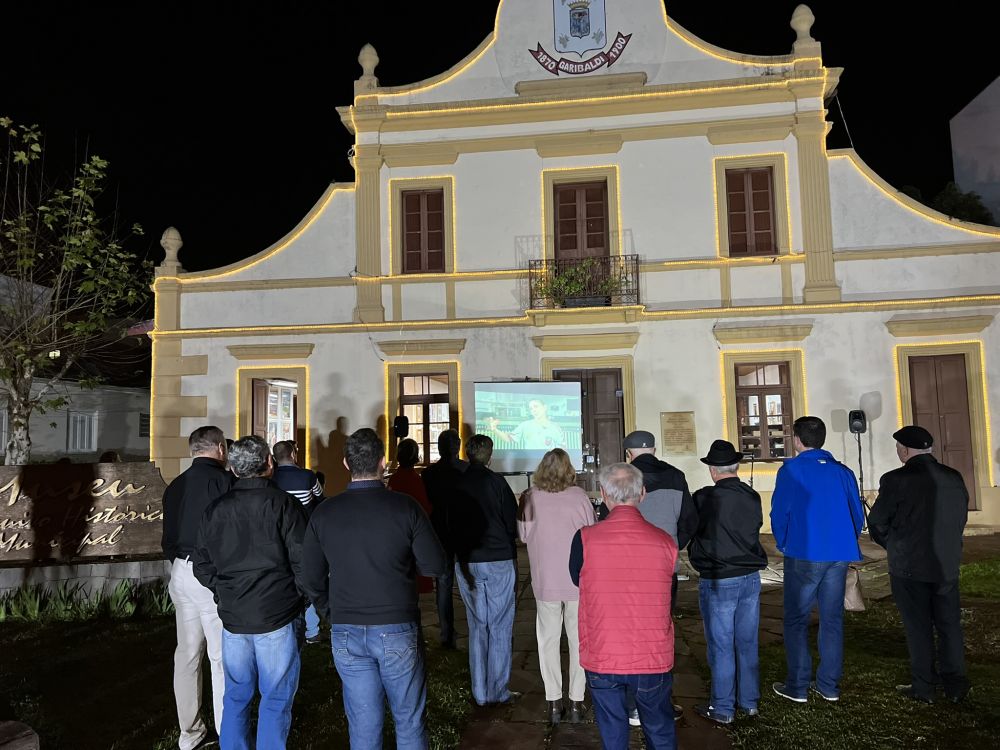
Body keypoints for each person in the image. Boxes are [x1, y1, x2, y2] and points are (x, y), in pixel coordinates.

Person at [302, 428, 446, 748]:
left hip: (347, 628)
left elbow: (310, 577)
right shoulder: (405, 508)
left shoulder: (324, 513)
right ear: (383, 462)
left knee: (363, 724)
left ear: (345, 463)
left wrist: (330, 612)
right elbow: (435, 565)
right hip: (396, 625)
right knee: (408, 718)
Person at [192, 435, 308, 750]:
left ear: (232, 467)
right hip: (276, 615)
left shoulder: (215, 510)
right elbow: (304, 561)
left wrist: (224, 590)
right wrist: (298, 596)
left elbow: (201, 564)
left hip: (235, 617)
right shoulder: (284, 504)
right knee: (276, 696)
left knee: (237, 695)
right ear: (269, 464)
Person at [570, 463, 678, 750]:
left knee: (613, 732)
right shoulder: (665, 542)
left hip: (604, 651)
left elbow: (577, 579)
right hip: (652, 655)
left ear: (604, 494)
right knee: (659, 727)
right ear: (642, 494)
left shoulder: (585, 539)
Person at [867, 425, 970, 704]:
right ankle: (955, 684)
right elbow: (960, 517)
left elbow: (877, 521)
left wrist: (894, 545)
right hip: (945, 563)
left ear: (903, 450)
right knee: (949, 625)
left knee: (918, 627)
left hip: (909, 566)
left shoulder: (896, 479)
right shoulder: (953, 477)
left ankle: (924, 686)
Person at [770, 416, 864, 704]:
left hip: (805, 552)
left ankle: (797, 685)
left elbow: (779, 512)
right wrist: (847, 539)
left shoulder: (791, 471)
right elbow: (856, 514)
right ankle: (828, 685)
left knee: (797, 618)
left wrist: (784, 542)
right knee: (832, 618)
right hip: (838, 553)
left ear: (797, 440)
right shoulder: (843, 472)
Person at [161, 425, 233, 750]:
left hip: (180, 570)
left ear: (193, 450)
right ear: (219, 448)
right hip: (210, 573)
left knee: (187, 654)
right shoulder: (225, 482)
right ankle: (225, 727)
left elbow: (167, 538)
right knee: (219, 656)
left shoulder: (175, 486)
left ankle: (189, 734)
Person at [688, 440, 768, 724]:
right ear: (736, 466)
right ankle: (748, 702)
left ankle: (722, 707)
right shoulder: (752, 495)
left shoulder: (704, 498)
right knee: (746, 641)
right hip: (749, 577)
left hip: (719, 578)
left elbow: (688, 529)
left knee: (721, 644)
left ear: (712, 469)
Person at [517, 448, 595, 724]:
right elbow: (592, 530)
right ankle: (576, 701)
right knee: (578, 640)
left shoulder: (529, 498)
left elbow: (524, 536)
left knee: (548, 640)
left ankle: (553, 702)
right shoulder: (580, 497)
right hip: (577, 579)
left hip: (545, 579)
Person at [623, 430, 694, 724]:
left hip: (627, 570)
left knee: (628, 635)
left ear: (628, 453)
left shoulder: (622, 477)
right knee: (661, 633)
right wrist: (674, 546)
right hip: (664, 569)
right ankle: (657, 701)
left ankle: (631, 703)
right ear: (654, 449)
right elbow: (690, 520)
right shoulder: (676, 476)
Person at [449, 434, 520, 706]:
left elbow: (448, 523)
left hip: (467, 560)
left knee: (477, 625)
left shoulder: (456, 485)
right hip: (498, 558)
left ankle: (479, 692)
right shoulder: (497, 483)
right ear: (489, 456)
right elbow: (511, 523)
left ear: (467, 454)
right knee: (500, 625)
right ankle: (498, 690)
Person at [271, 440, 325, 644]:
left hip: (277, 537)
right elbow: (320, 498)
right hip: (304, 537)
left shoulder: (271, 478)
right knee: (305, 580)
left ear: (274, 458)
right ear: (293, 454)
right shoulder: (307, 476)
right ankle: (311, 630)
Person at [421, 429, 468, 649]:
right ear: (457, 446)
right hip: (464, 531)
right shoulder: (466, 470)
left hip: (440, 531)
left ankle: (447, 633)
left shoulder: (429, 474)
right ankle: (475, 626)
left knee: (443, 583)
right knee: (471, 581)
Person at [387, 437, 435, 595]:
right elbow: (424, 510)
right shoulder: (416, 480)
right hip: (412, 536)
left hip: (395, 535)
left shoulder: (394, 479)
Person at [485, 398, 565, 450]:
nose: (533, 410)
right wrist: (494, 429)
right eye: (531, 408)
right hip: (531, 464)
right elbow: (508, 438)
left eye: (536, 406)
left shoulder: (555, 427)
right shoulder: (525, 425)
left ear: (545, 407)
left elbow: (562, 449)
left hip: (550, 466)